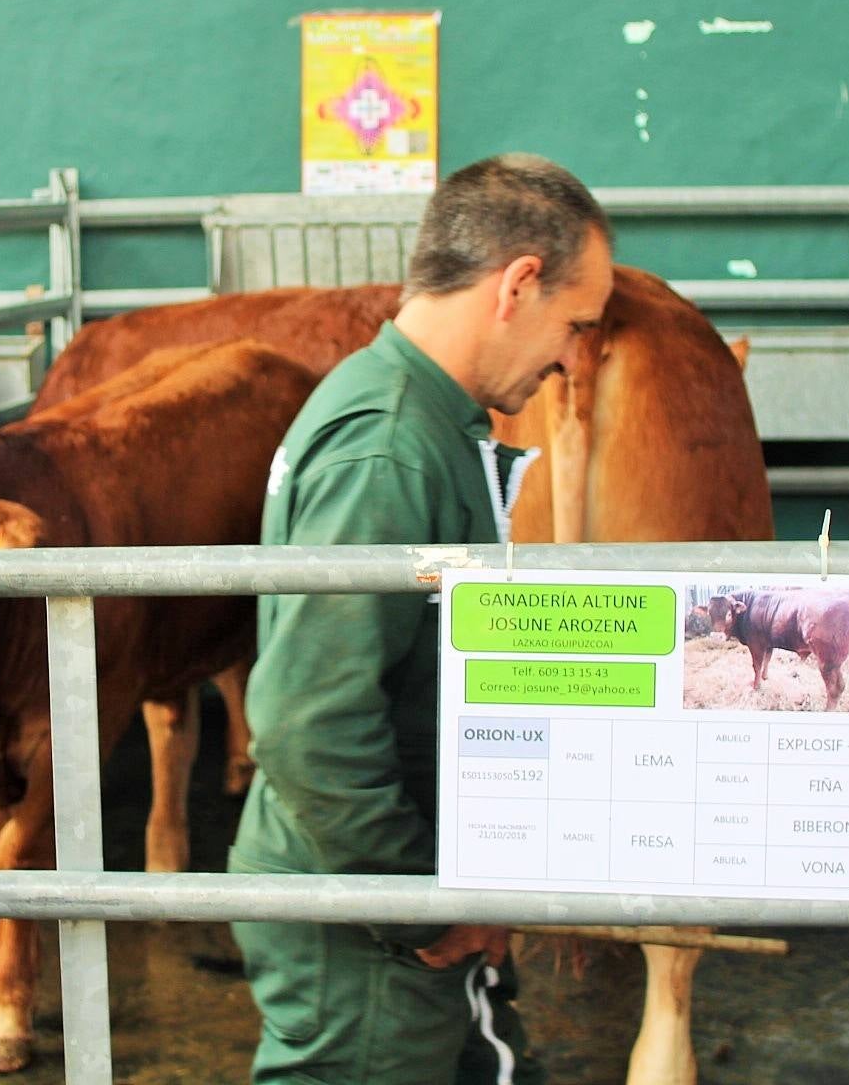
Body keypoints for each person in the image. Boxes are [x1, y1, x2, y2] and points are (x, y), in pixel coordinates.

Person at [229, 153, 614, 1084]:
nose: (573, 358)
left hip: (368, 884)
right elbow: (305, 718)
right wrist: (426, 904)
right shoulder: (391, 450)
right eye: (575, 324)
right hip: (363, 913)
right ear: (518, 284)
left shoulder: (414, 416)